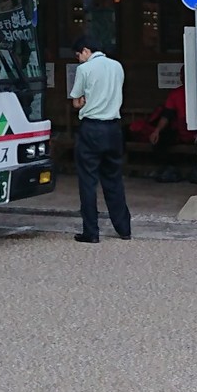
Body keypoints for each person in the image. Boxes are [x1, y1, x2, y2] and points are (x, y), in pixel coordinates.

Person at [66, 35, 130, 242]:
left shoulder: (84, 70)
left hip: (92, 128)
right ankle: (124, 229)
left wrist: (84, 100)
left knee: (88, 180)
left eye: (78, 55)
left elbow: (76, 101)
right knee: (114, 179)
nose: (78, 60)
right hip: (113, 128)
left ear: (86, 51)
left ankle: (91, 232)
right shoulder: (117, 66)